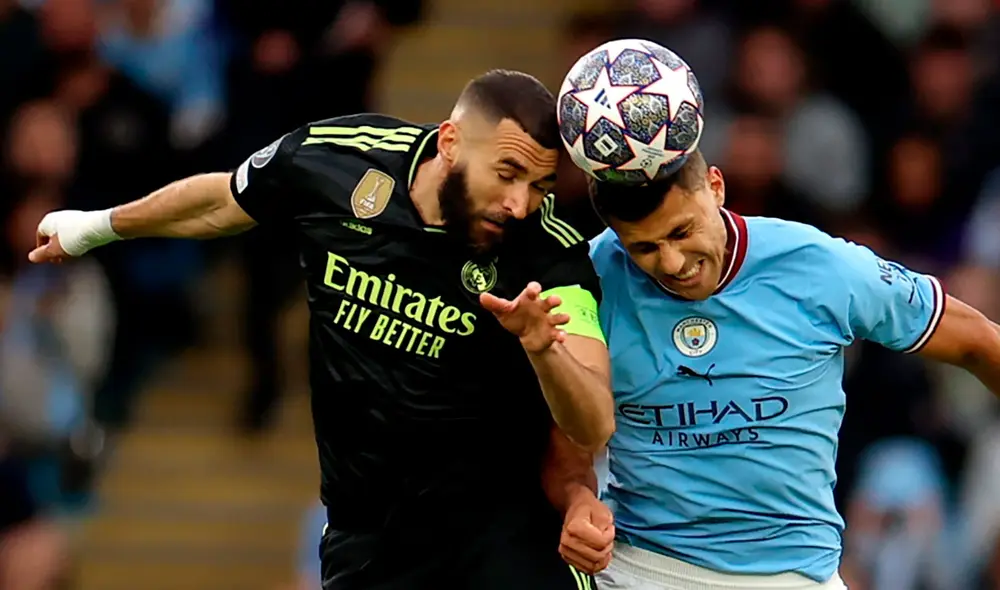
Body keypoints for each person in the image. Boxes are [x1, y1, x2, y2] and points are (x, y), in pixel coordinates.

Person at [27, 69, 613, 590]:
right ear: (450, 142)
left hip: (499, 531)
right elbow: (221, 201)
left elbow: (594, 422)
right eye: (507, 173)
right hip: (367, 533)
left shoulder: (549, 257)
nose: (520, 204)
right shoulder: (340, 160)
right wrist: (98, 226)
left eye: (538, 186)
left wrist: (545, 350)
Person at [551, 149, 1000, 590]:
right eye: (643, 249)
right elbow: (565, 434)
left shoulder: (817, 265)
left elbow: (979, 342)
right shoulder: (589, 279)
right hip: (642, 569)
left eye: (682, 231)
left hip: (795, 575)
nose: (671, 263)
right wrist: (577, 498)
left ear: (716, 187)